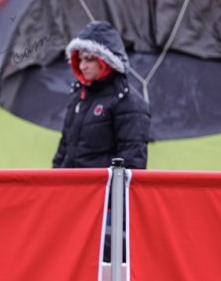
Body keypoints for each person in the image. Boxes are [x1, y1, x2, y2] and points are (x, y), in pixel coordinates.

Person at [52, 20, 150, 170]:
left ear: (106, 61)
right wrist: (54, 179)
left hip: (101, 185)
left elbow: (132, 163)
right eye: (80, 59)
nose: (82, 66)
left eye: (89, 59)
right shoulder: (78, 95)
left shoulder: (128, 102)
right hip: (70, 184)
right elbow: (64, 147)